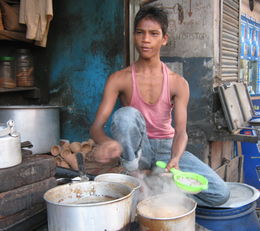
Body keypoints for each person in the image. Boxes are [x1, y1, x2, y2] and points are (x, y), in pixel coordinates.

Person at [90, 5, 230, 206]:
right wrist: (106, 142)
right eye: (140, 32)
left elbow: (181, 132)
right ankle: (135, 173)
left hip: (167, 148)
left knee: (220, 193)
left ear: (164, 38)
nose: (146, 39)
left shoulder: (178, 83)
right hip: (138, 153)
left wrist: (176, 158)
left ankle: (156, 185)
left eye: (153, 34)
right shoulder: (118, 79)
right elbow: (96, 127)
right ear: (133, 35)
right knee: (125, 115)